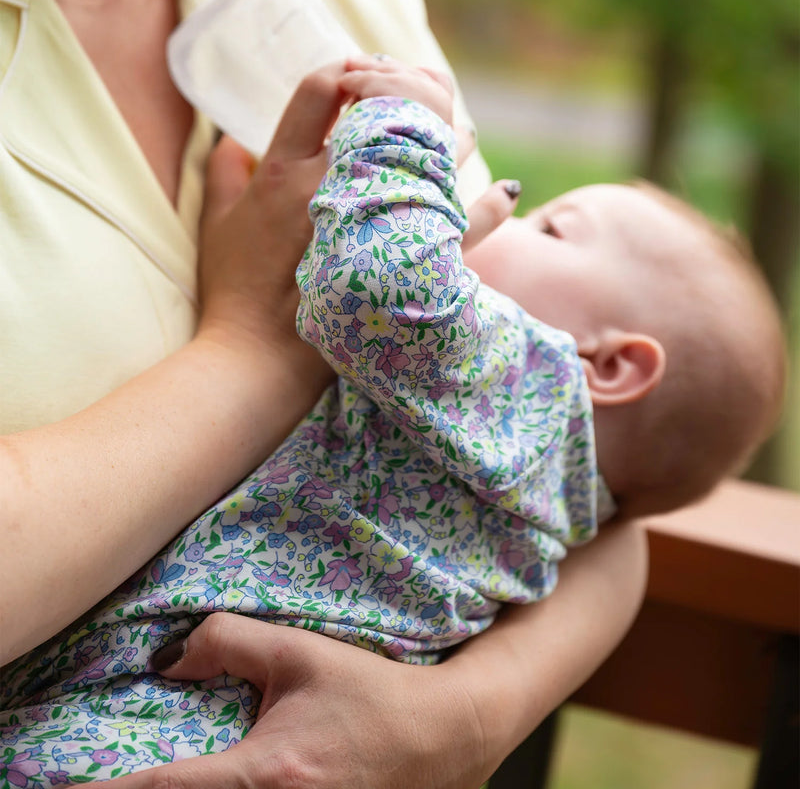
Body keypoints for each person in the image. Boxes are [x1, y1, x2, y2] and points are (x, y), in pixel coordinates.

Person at [1, 56, 785, 784]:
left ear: (605, 366)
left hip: (174, 717)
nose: (495, 221)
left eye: (548, 228)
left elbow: (376, 289)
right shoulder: (559, 488)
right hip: (195, 702)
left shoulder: (533, 393)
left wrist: (404, 121)